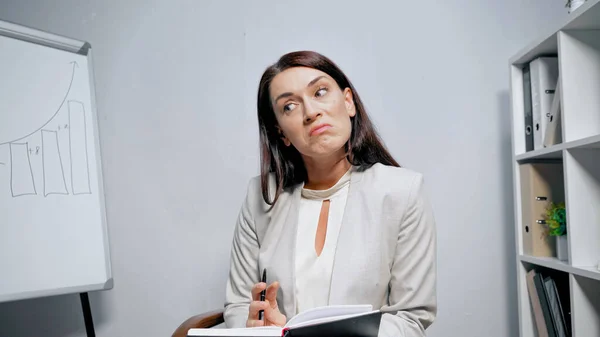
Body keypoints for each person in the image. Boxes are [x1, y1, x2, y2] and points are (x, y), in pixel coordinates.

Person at [223, 50, 437, 337]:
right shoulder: (260, 196)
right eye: (289, 106)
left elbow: (410, 317)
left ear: (348, 102)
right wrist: (262, 328)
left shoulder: (403, 192)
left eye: (320, 92)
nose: (311, 112)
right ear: (281, 133)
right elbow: (238, 305)